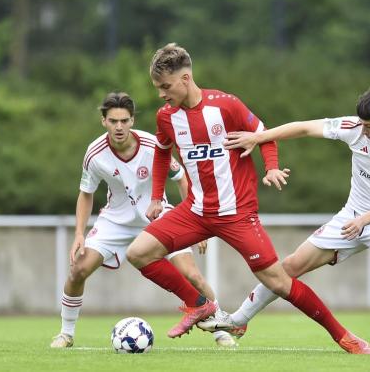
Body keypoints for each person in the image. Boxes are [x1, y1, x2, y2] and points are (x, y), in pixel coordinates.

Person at [125, 43, 370, 354]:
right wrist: (157, 196)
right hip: (195, 211)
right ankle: (198, 304)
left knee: (279, 283)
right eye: (157, 87)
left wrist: (270, 168)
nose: (161, 94)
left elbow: (263, 134)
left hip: (238, 214)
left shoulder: (226, 106)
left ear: (185, 79)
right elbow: (162, 153)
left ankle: (343, 336)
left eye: (165, 86)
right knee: (138, 253)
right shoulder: (166, 117)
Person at [199, 82, 370, 356]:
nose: (364, 131)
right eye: (362, 124)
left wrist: (364, 221)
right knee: (290, 265)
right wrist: (260, 137)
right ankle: (238, 320)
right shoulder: (355, 128)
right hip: (351, 215)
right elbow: (304, 127)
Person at [50, 92, 236, 348]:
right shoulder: (95, 154)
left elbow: (182, 179)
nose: (119, 127)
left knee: (192, 275)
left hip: (159, 218)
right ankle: (66, 334)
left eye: (124, 120)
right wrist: (80, 234)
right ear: (104, 121)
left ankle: (219, 331)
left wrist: (197, 222)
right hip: (114, 220)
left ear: (132, 120)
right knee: (78, 269)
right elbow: (86, 194)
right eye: (113, 121)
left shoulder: (152, 146)